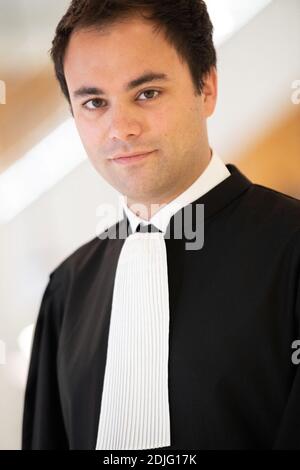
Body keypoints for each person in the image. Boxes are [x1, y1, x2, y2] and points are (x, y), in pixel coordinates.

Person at [22, 0, 300, 450]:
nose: (120, 128)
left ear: (206, 87)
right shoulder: (66, 291)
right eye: (94, 102)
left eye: (147, 93)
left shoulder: (292, 249)